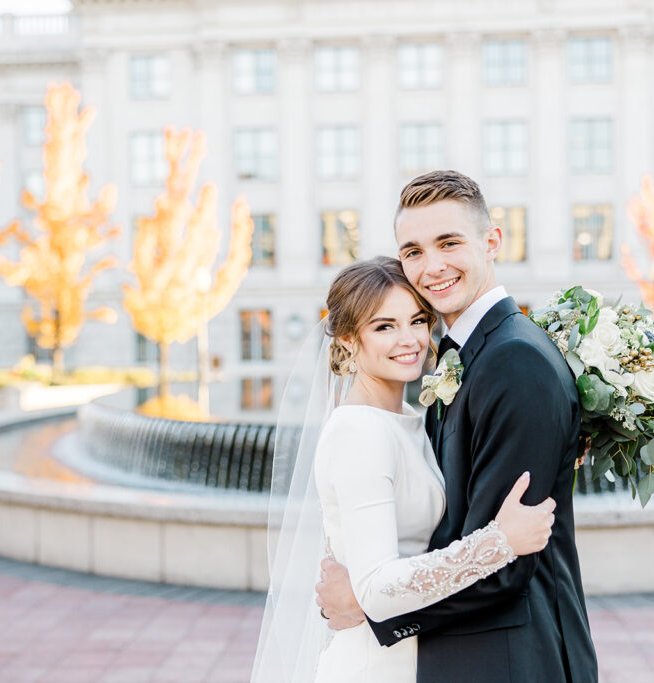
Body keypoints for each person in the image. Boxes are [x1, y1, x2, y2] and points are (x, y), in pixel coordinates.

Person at [316, 171, 599, 682]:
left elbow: (508, 562)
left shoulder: (514, 361)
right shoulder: (470, 359)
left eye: (448, 242)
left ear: (492, 242)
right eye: (414, 251)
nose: (432, 267)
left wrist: (367, 604)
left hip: (511, 660)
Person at [251, 256, 556, 683]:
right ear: (347, 340)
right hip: (376, 666)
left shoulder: (411, 415)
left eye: (416, 320)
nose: (409, 339)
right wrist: (499, 542)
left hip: (418, 655)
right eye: (384, 326)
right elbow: (376, 587)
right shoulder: (359, 431)